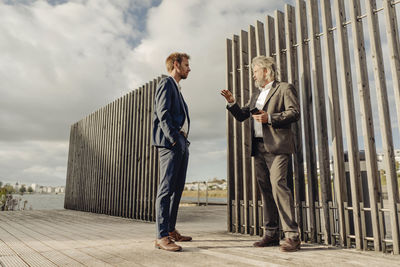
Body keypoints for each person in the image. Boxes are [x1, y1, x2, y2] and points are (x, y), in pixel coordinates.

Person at [220, 56, 301, 252]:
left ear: (266, 71)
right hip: (259, 148)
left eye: (255, 71)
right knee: (266, 190)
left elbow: (294, 112)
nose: (253, 75)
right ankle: (271, 234)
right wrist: (232, 103)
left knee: (278, 185)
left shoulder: (284, 88)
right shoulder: (256, 95)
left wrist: (270, 117)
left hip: (278, 146)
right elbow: (242, 116)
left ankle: (292, 236)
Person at [152, 52, 192, 252]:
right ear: (176, 64)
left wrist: (182, 140)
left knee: (177, 189)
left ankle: (170, 229)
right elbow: (163, 112)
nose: (189, 68)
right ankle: (161, 236)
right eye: (186, 65)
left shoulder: (177, 88)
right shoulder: (166, 84)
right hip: (171, 144)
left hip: (181, 142)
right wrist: (174, 139)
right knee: (166, 189)